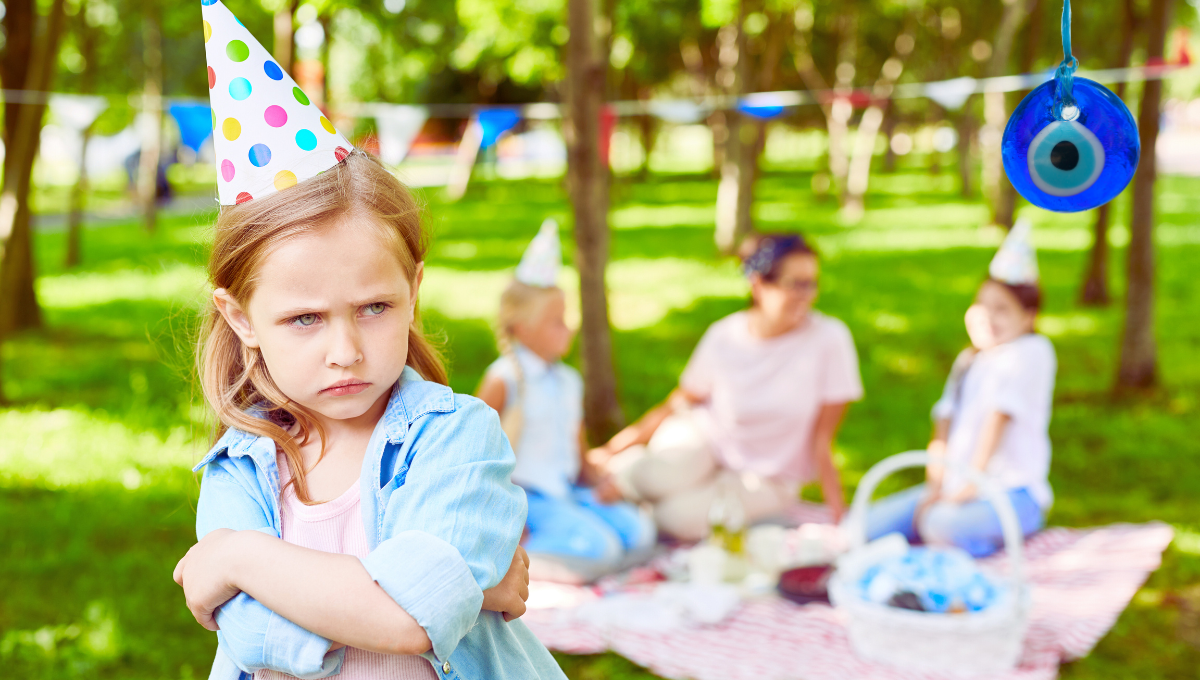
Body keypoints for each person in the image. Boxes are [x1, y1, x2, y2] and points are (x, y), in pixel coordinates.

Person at [172, 5, 565, 680]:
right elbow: (250, 633)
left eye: (375, 308)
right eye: (305, 319)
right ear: (240, 320)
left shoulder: (457, 438)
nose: (346, 351)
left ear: (413, 287)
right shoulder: (239, 467)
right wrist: (459, 595)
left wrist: (238, 560)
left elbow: (409, 619)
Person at [589, 233, 864, 541]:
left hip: (767, 477)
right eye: (795, 284)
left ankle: (631, 501)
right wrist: (614, 447)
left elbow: (822, 440)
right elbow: (679, 401)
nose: (807, 295)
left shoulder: (829, 339)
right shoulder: (725, 335)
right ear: (758, 284)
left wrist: (840, 520)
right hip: (706, 437)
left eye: (811, 283)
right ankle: (624, 475)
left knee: (674, 518)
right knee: (654, 477)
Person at [476, 220, 655, 582]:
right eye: (556, 322)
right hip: (527, 501)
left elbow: (577, 449)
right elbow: (474, 453)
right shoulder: (505, 379)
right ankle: (507, 555)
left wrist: (599, 483)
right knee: (602, 551)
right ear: (522, 329)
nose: (568, 328)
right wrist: (503, 515)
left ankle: (581, 553)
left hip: (566, 491)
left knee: (640, 534)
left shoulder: (569, 381)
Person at [866, 219, 1056, 558]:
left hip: (1013, 493)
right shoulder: (969, 359)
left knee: (938, 524)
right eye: (982, 306)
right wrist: (937, 485)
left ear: (1028, 317)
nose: (988, 317)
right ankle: (943, 542)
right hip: (956, 484)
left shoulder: (1032, 352)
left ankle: (967, 548)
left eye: (1002, 309)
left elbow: (998, 419)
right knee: (864, 527)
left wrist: (968, 488)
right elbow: (943, 424)